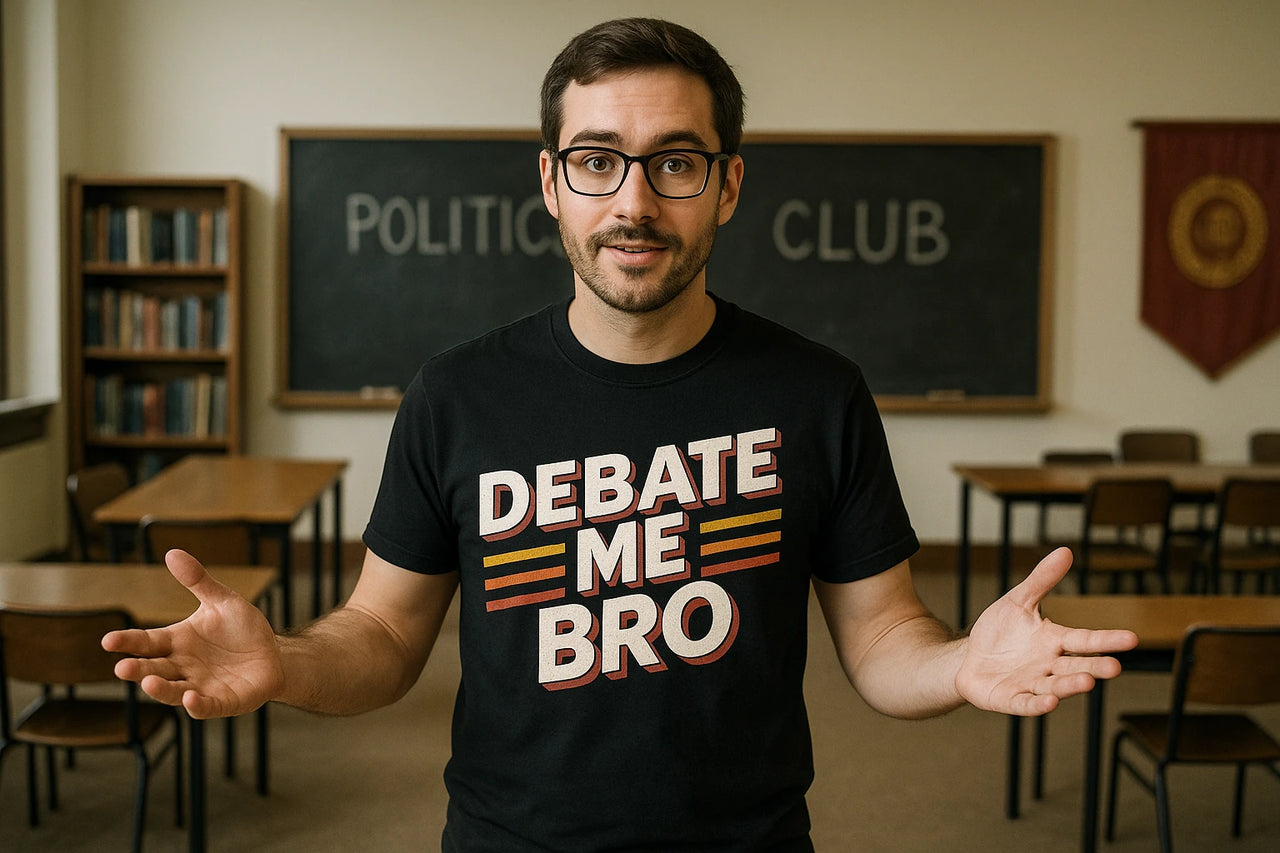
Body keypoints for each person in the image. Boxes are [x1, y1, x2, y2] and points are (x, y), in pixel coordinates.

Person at [104, 17, 1138, 852]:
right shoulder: (454, 396)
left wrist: (956, 663)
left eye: (674, 163)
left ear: (726, 185)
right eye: (598, 161)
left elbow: (879, 639)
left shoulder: (816, 392)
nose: (633, 202)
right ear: (552, 181)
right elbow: (379, 637)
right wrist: (284, 659)